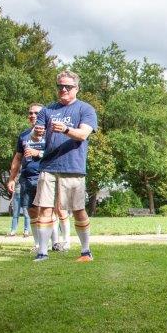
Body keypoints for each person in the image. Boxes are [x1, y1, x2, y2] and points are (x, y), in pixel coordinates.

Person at [31, 70, 98, 262]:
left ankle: (85, 251)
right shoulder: (47, 110)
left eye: (68, 86)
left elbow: (83, 134)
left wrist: (66, 129)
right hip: (48, 167)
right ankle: (42, 252)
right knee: (44, 209)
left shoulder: (85, 109)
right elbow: (35, 137)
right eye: (60, 86)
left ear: (76, 88)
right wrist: (36, 133)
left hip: (73, 167)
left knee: (77, 210)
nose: (63, 89)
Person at [7, 103, 45, 245]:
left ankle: (54, 242)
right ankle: (38, 244)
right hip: (27, 178)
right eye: (30, 113)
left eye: (36, 113)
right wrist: (12, 178)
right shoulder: (23, 135)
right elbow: (17, 158)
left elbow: (56, 154)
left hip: (45, 176)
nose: (33, 115)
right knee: (31, 211)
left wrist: (38, 153)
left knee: (47, 211)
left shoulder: (51, 133)